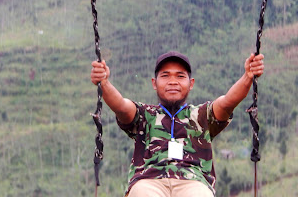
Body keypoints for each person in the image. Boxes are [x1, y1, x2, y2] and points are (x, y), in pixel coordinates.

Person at [91, 51, 264, 197]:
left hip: (193, 181)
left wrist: (248, 77)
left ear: (191, 84)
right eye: (165, 76)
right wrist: (104, 83)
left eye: (180, 76)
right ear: (154, 83)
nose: (172, 81)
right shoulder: (144, 115)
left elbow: (227, 102)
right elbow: (121, 106)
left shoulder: (201, 115)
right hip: (149, 181)